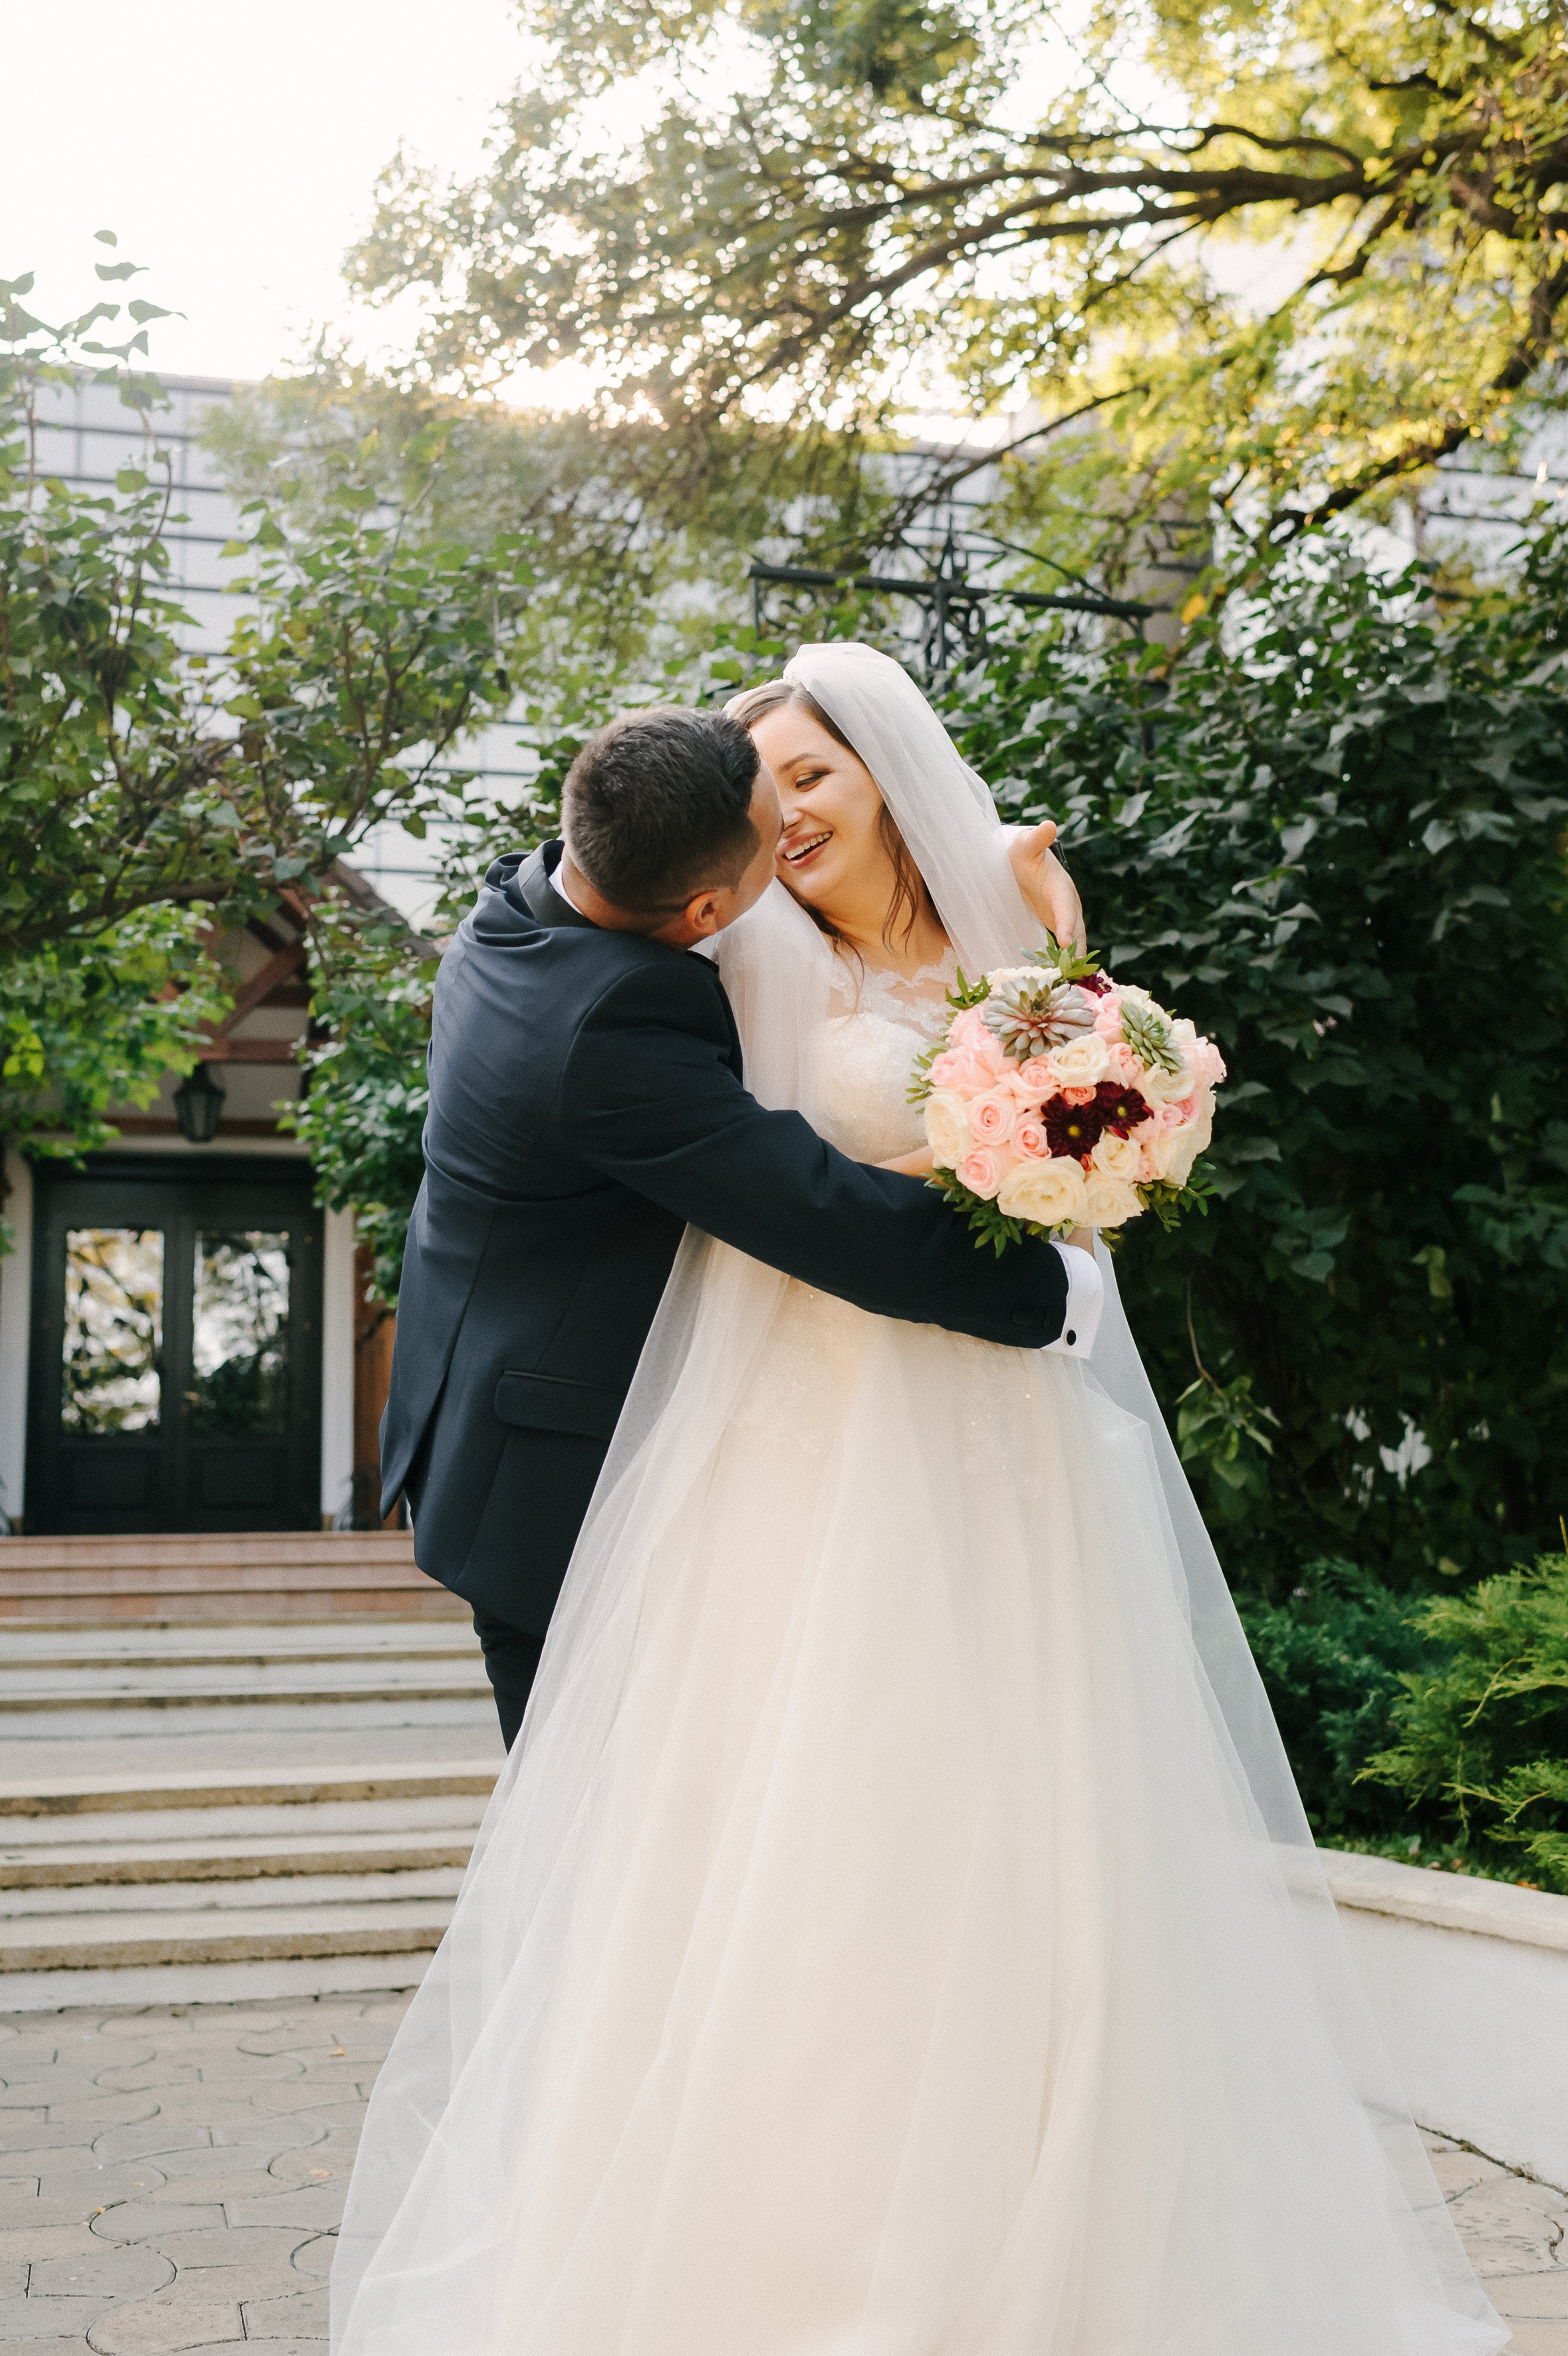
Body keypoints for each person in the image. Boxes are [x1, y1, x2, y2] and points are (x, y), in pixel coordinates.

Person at [334, 646, 1503, 2355]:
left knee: (1010, 1818)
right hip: (781, 1414)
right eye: (762, 788)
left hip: (985, 1442)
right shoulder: (722, 953)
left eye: (813, 774)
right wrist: (1024, 1284)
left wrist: (1074, 1084)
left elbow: (1081, 1140)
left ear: (884, 773)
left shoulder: (1010, 933)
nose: (786, 810)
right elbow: (781, 1178)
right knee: (780, 1822)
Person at [381, 702, 1095, 1746]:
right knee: (603, 1857)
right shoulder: (608, 1034)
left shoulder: (524, 902)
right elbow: (820, 1209)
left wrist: (982, 862)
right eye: (773, 827)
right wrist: (1062, 1293)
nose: (792, 839)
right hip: (547, 1487)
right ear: (709, 909)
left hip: (497, 1395)